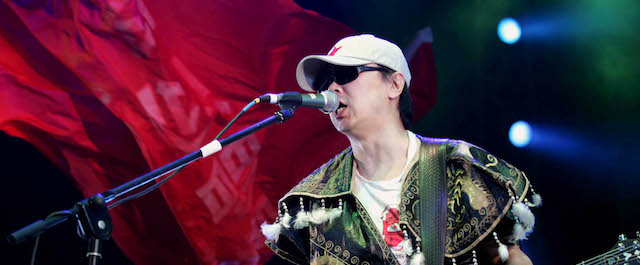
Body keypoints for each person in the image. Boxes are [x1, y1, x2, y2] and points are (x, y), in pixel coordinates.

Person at [261, 34, 540, 265]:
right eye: (324, 82)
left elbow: (508, 256)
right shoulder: (310, 201)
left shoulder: (459, 166)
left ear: (394, 85)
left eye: (346, 74)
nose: (332, 87)